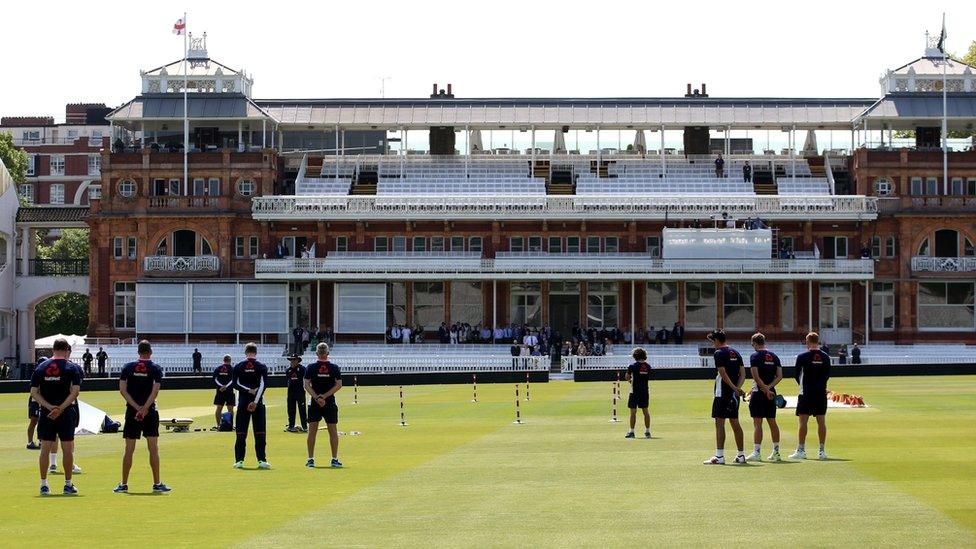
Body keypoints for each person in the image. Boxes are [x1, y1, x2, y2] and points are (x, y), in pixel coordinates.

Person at [114, 340, 170, 493]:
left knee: (129, 449)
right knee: (153, 448)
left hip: (132, 411)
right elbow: (155, 390)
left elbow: (122, 390)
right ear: (150, 352)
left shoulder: (128, 367)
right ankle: (157, 483)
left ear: (138, 352)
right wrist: (145, 407)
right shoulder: (155, 368)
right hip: (150, 411)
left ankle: (124, 484)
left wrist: (136, 407)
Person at [29, 338, 82, 495]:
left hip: (47, 413)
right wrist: (61, 408)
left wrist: (49, 406)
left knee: (44, 449)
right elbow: (75, 391)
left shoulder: (41, 367)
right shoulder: (72, 367)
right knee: (67, 449)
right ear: (66, 350)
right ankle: (68, 484)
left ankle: (44, 484)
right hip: (66, 412)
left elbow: (33, 392)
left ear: (53, 349)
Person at [703, 330, 746, 465]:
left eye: (713, 341)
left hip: (722, 393)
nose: (713, 344)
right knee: (735, 422)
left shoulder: (719, 353)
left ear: (717, 340)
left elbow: (722, 373)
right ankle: (741, 455)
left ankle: (720, 456)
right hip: (733, 394)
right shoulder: (736, 352)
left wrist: (733, 388)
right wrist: (737, 389)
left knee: (719, 423)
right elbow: (743, 374)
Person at [790, 332, 831, 461]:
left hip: (806, 392)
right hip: (820, 392)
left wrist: (804, 386)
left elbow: (796, 374)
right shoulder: (825, 357)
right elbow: (827, 375)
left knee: (803, 422)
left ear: (808, 341)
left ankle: (801, 450)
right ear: (818, 341)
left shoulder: (802, 356)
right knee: (821, 421)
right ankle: (822, 451)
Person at [745, 333, 783, 462]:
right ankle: (776, 452)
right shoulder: (774, 356)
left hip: (759, 392)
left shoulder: (754, 356)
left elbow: (755, 376)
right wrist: (769, 388)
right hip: (771, 393)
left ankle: (757, 453)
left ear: (754, 343)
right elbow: (779, 376)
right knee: (772, 422)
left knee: (757, 424)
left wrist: (764, 389)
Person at [304, 343, 343, 468]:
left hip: (315, 402)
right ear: (328, 353)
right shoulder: (334, 367)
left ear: (316, 353)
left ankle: (310, 459)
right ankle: (334, 458)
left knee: (312, 431)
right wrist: (325, 396)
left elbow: (306, 385)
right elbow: (339, 385)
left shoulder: (311, 367)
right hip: (329, 401)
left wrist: (317, 397)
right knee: (332, 431)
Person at [232, 343, 270, 469]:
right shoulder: (261, 366)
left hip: (243, 402)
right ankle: (262, 460)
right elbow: (263, 385)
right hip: (258, 403)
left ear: (245, 352)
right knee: (260, 432)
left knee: (241, 432)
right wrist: (255, 401)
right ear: (256, 352)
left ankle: (239, 461)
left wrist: (247, 390)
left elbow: (235, 384)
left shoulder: (238, 366)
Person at [624, 348, 652, 439]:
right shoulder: (648, 366)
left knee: (633, 412)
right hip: (644, 390)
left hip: (634, 390)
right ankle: (647, 431)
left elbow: (627, 377)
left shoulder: (632, 366)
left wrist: (631, 381)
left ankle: (631, 432)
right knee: (645, 411)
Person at [284, 354, 308, 433]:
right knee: (291, 410)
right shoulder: (288, 370)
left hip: (300, 392)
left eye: (294, 359)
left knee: (302, 410)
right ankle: (291, 426)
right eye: (291, 360)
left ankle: (304, 426)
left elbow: (306, 379)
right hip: (291, 393)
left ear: (298, 360)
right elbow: (288, 380)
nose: (292, 361)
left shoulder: (302, 369)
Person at [212, 355, 235, 430]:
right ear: (230, 360)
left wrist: (221, 386)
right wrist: (226, 386)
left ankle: (218, 425)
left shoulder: (218, 368)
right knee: (230, 409)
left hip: (220, 391)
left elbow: (215, 379)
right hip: (229, 391)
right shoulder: (232, 369)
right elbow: (233, 379)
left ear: (223, 360)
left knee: (219, 408)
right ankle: (231, 425)